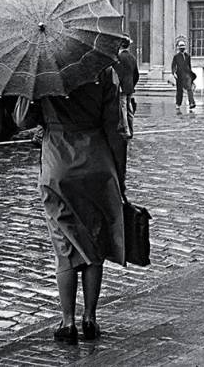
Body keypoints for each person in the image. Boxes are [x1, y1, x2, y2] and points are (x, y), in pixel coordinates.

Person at [12, 65, 127, 345]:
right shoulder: (103, 71)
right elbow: (115, 127)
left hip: (59, 166)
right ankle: (90, 317)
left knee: (64, 245)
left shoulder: (42, 72)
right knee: (94, 242)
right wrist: (119, 178)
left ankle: (67, 322)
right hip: (97, 163)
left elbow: (21, 120)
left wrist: (32, 90)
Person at [113, 35, 139, 139]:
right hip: (130, 87)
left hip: (122, 87)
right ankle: (131, 129)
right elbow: (136, 74)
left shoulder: (119, 57)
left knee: (123, 109)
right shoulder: (132, 57)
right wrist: (132, 84)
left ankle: (126, 130)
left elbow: (118, 74)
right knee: (129, 109)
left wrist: (118, 86)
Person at [171, 40, 196, 110]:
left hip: (187, 75)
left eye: (183, 46)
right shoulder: (176, 56)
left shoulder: (188, 56)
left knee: (189, 88)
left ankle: (192, 103)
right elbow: (173, 66)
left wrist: (191, 76)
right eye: (181, 46)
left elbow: (189, 66)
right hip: (179, 75)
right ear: (178, 48)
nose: (182, 48)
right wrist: (174, 73)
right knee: (179, 90)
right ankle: (178, 104)